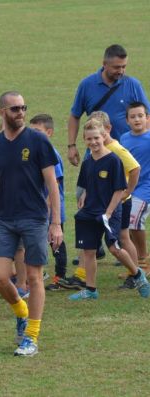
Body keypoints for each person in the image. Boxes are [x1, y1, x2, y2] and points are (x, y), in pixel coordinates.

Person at [0, 91, 63, 357]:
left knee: (34, 277)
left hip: (35, 218)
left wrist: (56, 222)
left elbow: (52, 183)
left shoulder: (38, 141)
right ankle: (21, 312)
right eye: (15, 108)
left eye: (23, 107)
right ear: (1, 112)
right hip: (4, 219)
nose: (20, 112)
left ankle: (31, 336)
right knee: (0, 278)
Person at [68, 119, 149, 300]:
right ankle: (91, 289)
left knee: (114, 248)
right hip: (90, 211)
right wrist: (83, 196)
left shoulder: (113, 160)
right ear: (84, 139)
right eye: (89, 139)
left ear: (103, 136)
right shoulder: (87, 161)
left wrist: (109, 212)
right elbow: (86, 184)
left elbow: (119, 190)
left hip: (110, 211)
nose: (93, 142)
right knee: (88, 250)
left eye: (96, 138)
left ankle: (138, 275)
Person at [68, 44, 150, 166]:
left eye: (124, 66)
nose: (121, 71)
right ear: (104, 64)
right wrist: (71, 145)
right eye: (116, 67)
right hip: (96, 150)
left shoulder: (133, 85)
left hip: (126, 151)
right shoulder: (87, 85)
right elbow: (75, 116)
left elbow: (147, 116)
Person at [27, 115, 69, 290]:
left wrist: (47, 206)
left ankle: (60, 277)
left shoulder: (50, 152)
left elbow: (55, 184)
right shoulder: (34, 151)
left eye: (37, 131)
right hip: (37, 209)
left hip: (52, 209)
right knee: (38, 243)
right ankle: (39, 273)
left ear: (49, 133)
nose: (32, 135)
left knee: (56, 244)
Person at [121, 102, 150, 275]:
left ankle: (143, 261)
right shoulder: (124, 138)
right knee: (127, 224)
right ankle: (135, 265)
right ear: (127, 121)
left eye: (140, 116)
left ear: (147, 118)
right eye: (133, 116)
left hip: (146, 188)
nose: (137, 119)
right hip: (129, 187)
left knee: (134, 221)